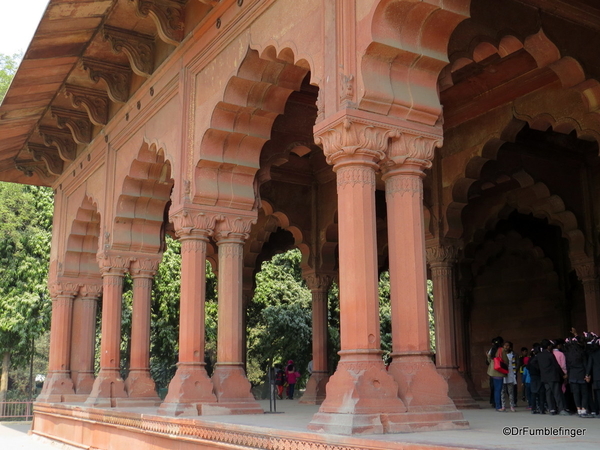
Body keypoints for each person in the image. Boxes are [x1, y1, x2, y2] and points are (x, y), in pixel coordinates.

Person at [538, 339, 569, 415]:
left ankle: (552, 409)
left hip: (544, 377)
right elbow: (556, 366)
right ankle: (561, 409)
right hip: (553, 376)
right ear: (548, 346)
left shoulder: (539, 355)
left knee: (548, 393)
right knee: (557, 393)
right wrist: (563, 374)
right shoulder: (550, 355)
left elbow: (535, 364)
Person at [564, 332, 592, 417]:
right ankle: (584, 409)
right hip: (581, 374)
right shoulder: (582, 353)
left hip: (572, 375)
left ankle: (578, 409)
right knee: (584, 393)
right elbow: (585, 364)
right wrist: (587, 374)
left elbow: (568, 366)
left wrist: (568, 375)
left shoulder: (568, 354)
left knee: (576, 393)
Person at [486, 336, 508, 411]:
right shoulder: (502, 350)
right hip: (499, 371)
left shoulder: (492, 349)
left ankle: (496, 405)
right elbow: (505, 360)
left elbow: (488, 360)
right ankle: (498, 406)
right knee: (498, 389)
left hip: (492, 371)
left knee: (495, 389)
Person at [501, 341, 517, 411]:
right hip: (502, 374)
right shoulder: (501, 355)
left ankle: (512, 405)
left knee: (510, 391)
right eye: (505, 345)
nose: (506, 347)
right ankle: (503, 405)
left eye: (508, 346)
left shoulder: (512, 355)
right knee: (502, 391)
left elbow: (514, 365)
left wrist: (514, 374)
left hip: (510, 374)